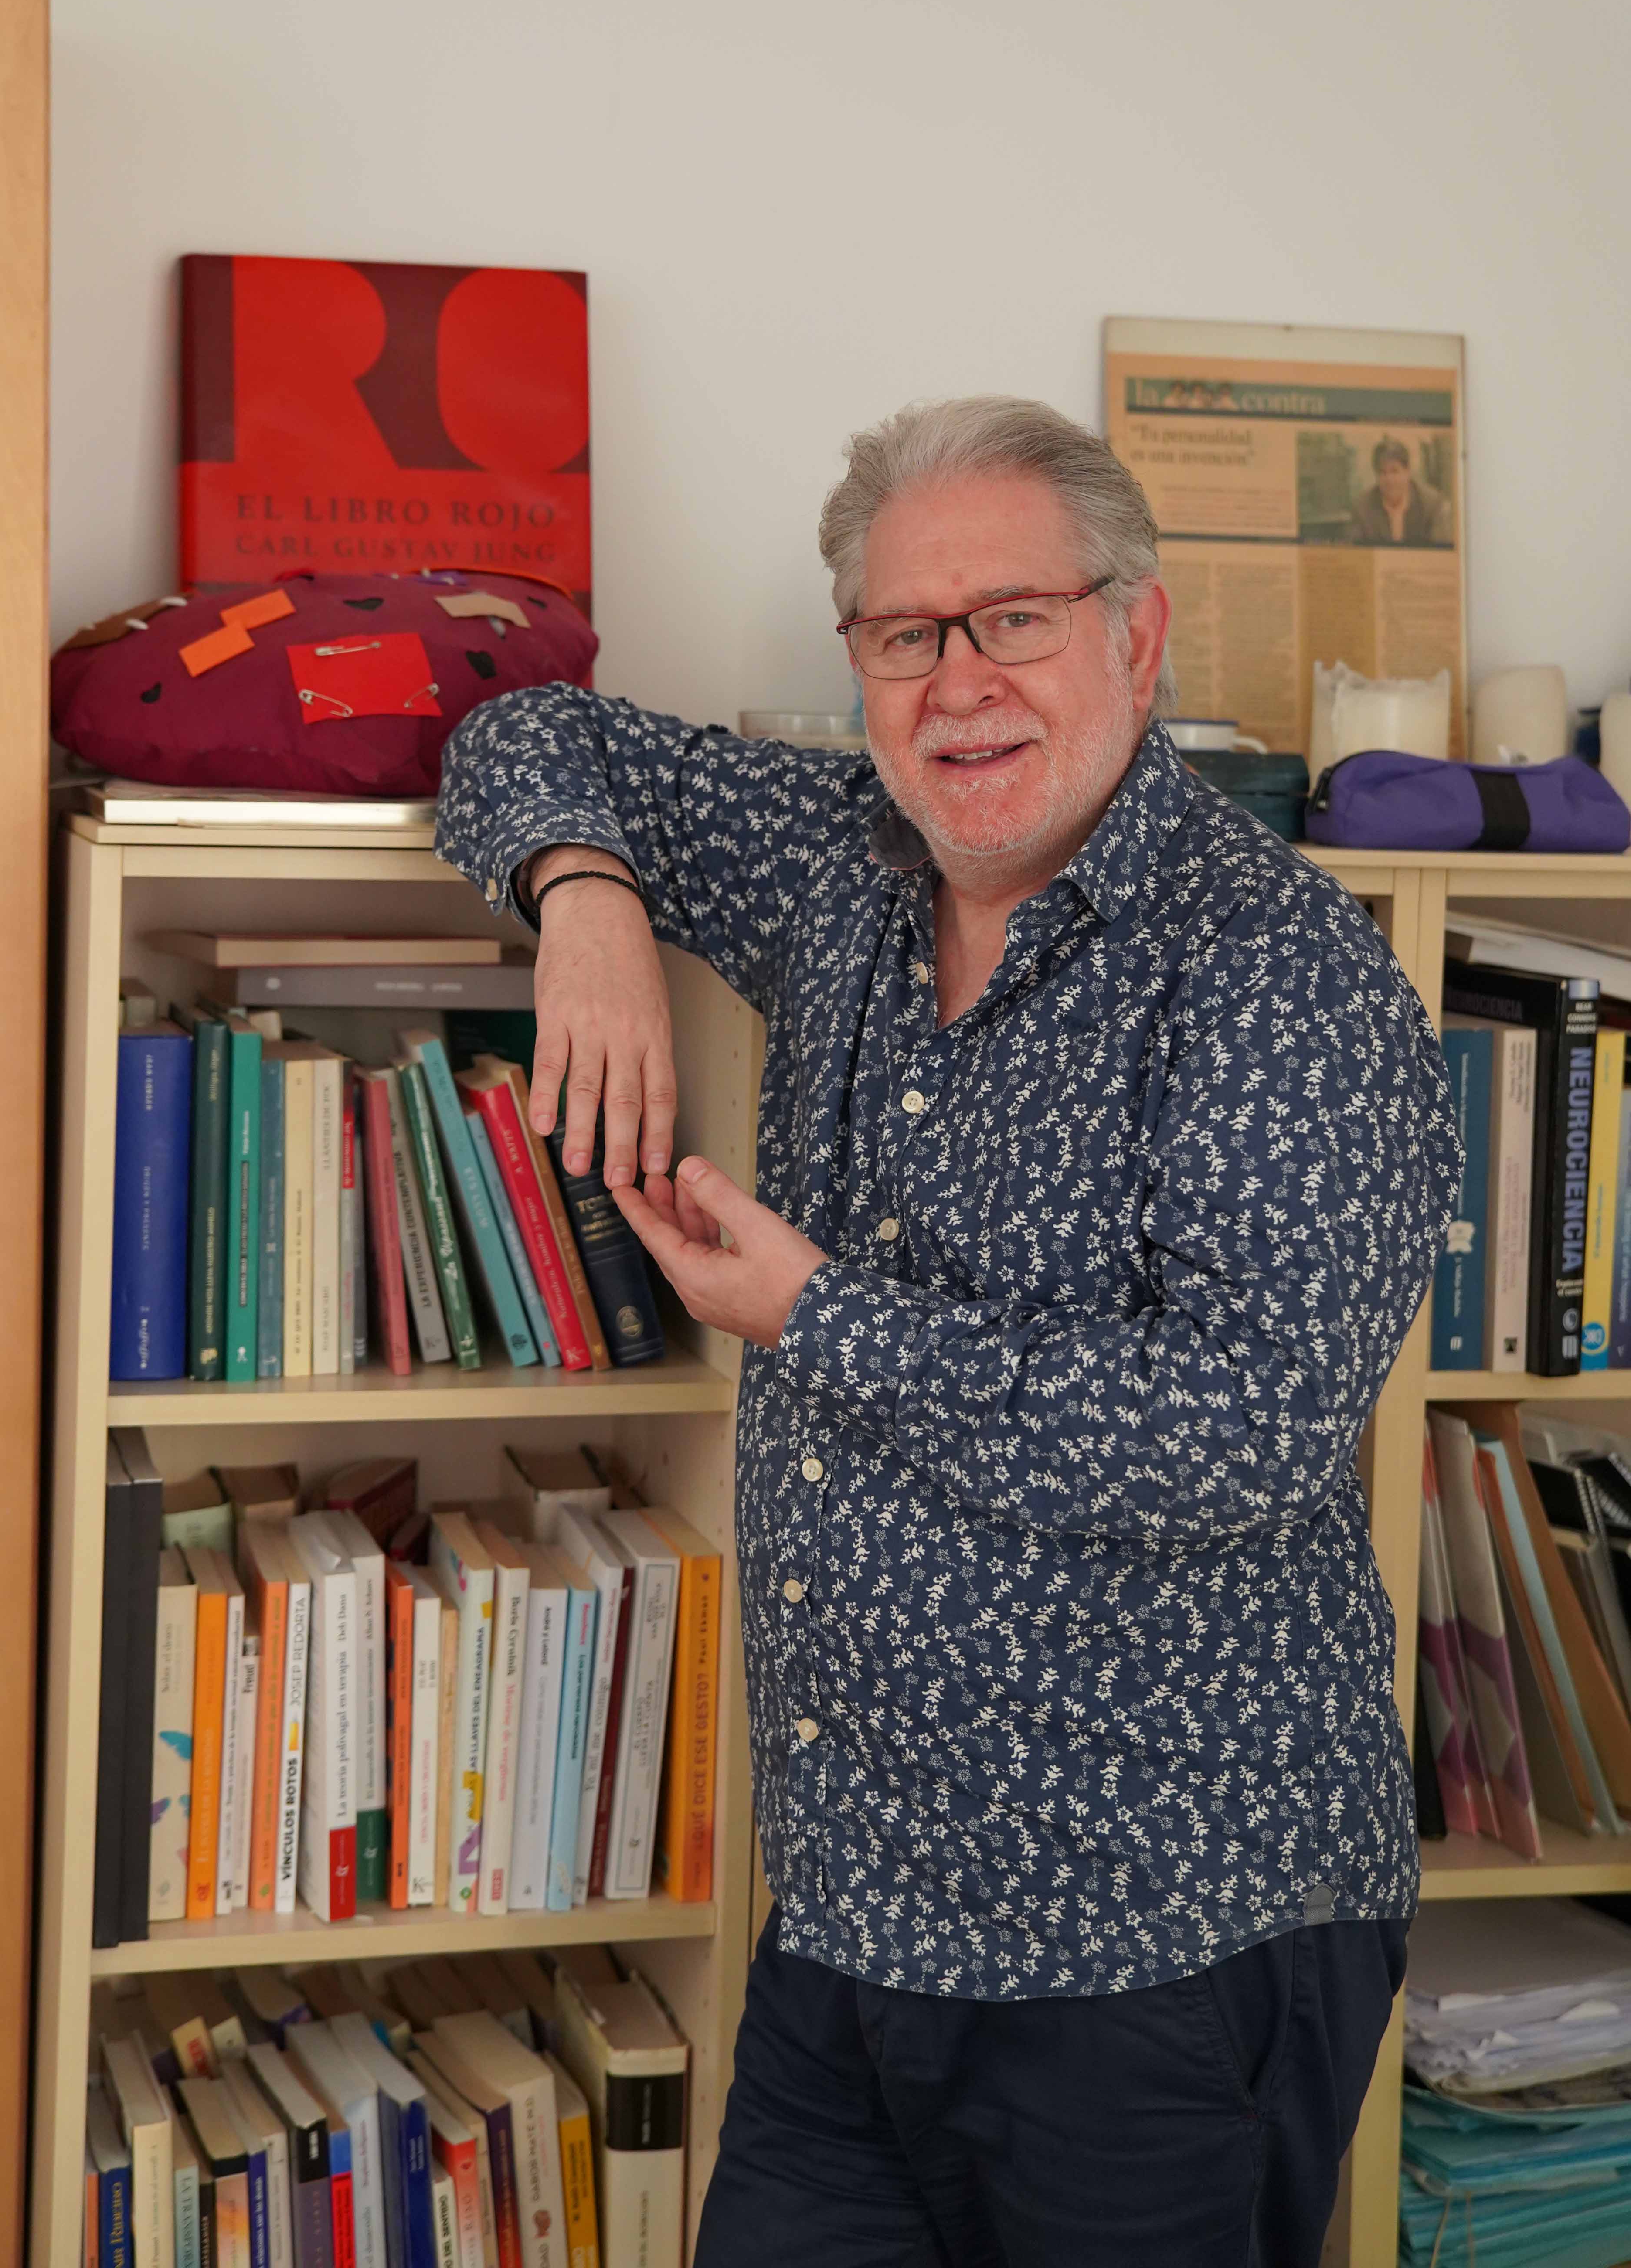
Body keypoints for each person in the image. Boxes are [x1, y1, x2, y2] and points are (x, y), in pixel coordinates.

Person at [435, 395, 1461, 2267]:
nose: (956, 681)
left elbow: (1242, 1429)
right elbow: (520, 728)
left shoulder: (1277, 971)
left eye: (1013, 619)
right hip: (854, 1922)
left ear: (1135, 635)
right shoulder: (839, 856)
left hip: (1162, 1943)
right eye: (905, 633)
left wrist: (817, 1315)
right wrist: (583, 903)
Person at [1350, 434, 1454, 545]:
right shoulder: (1363, 508)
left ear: (1408, 472)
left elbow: (1440, 550)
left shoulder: (1432, 505)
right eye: (1383, 473)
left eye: (1395, 471)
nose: (1389, 480)